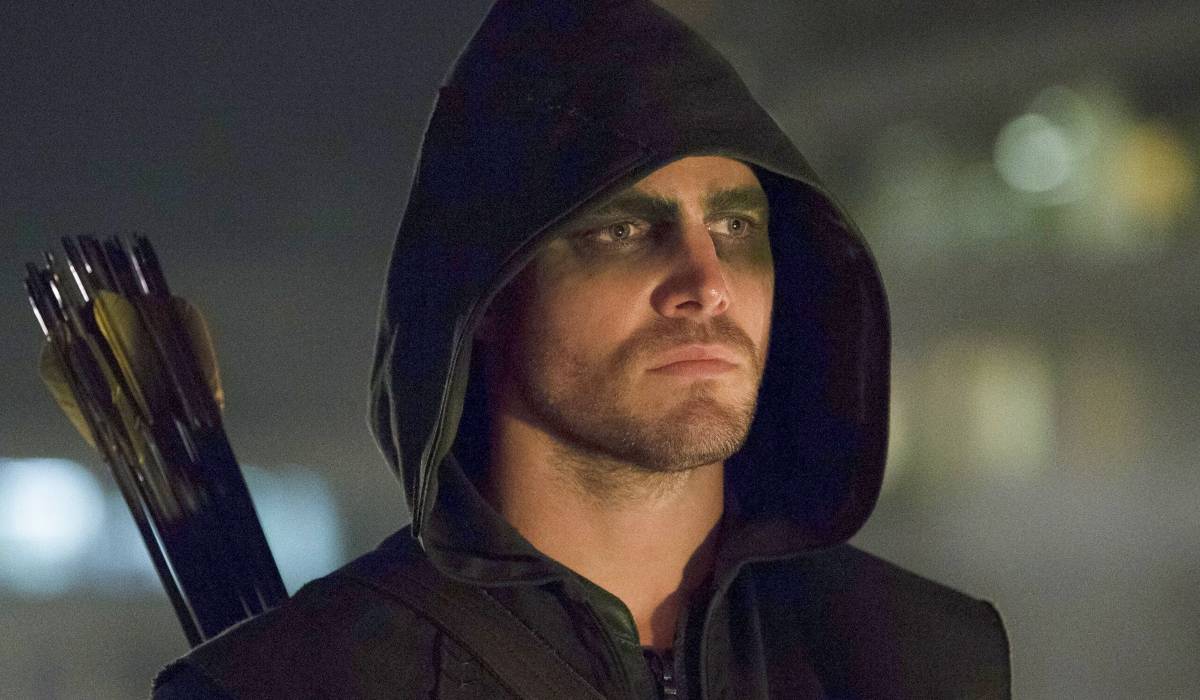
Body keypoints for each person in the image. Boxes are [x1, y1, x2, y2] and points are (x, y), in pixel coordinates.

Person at [153, 0, 1011, 697]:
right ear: (487, 294)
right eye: (623, 230)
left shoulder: (919, 660)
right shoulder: (301, 681)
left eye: (735, 227)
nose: (706, 283)